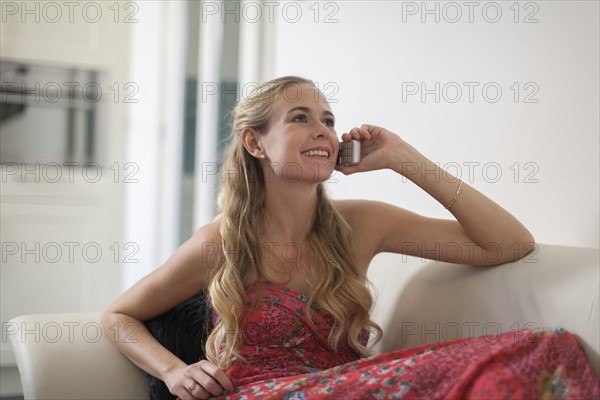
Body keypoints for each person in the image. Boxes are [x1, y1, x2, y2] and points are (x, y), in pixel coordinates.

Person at [101, 76, 599, 400]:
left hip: (350, 387)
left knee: (545, 346)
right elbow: (118, 316)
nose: (324, 131)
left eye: (329, 121)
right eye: (301, 118)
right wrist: (172, 371)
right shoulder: (221, 242)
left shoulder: (362, 223)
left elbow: (509, 244)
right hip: (264, 393)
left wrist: (403, 157)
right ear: (255, 142)